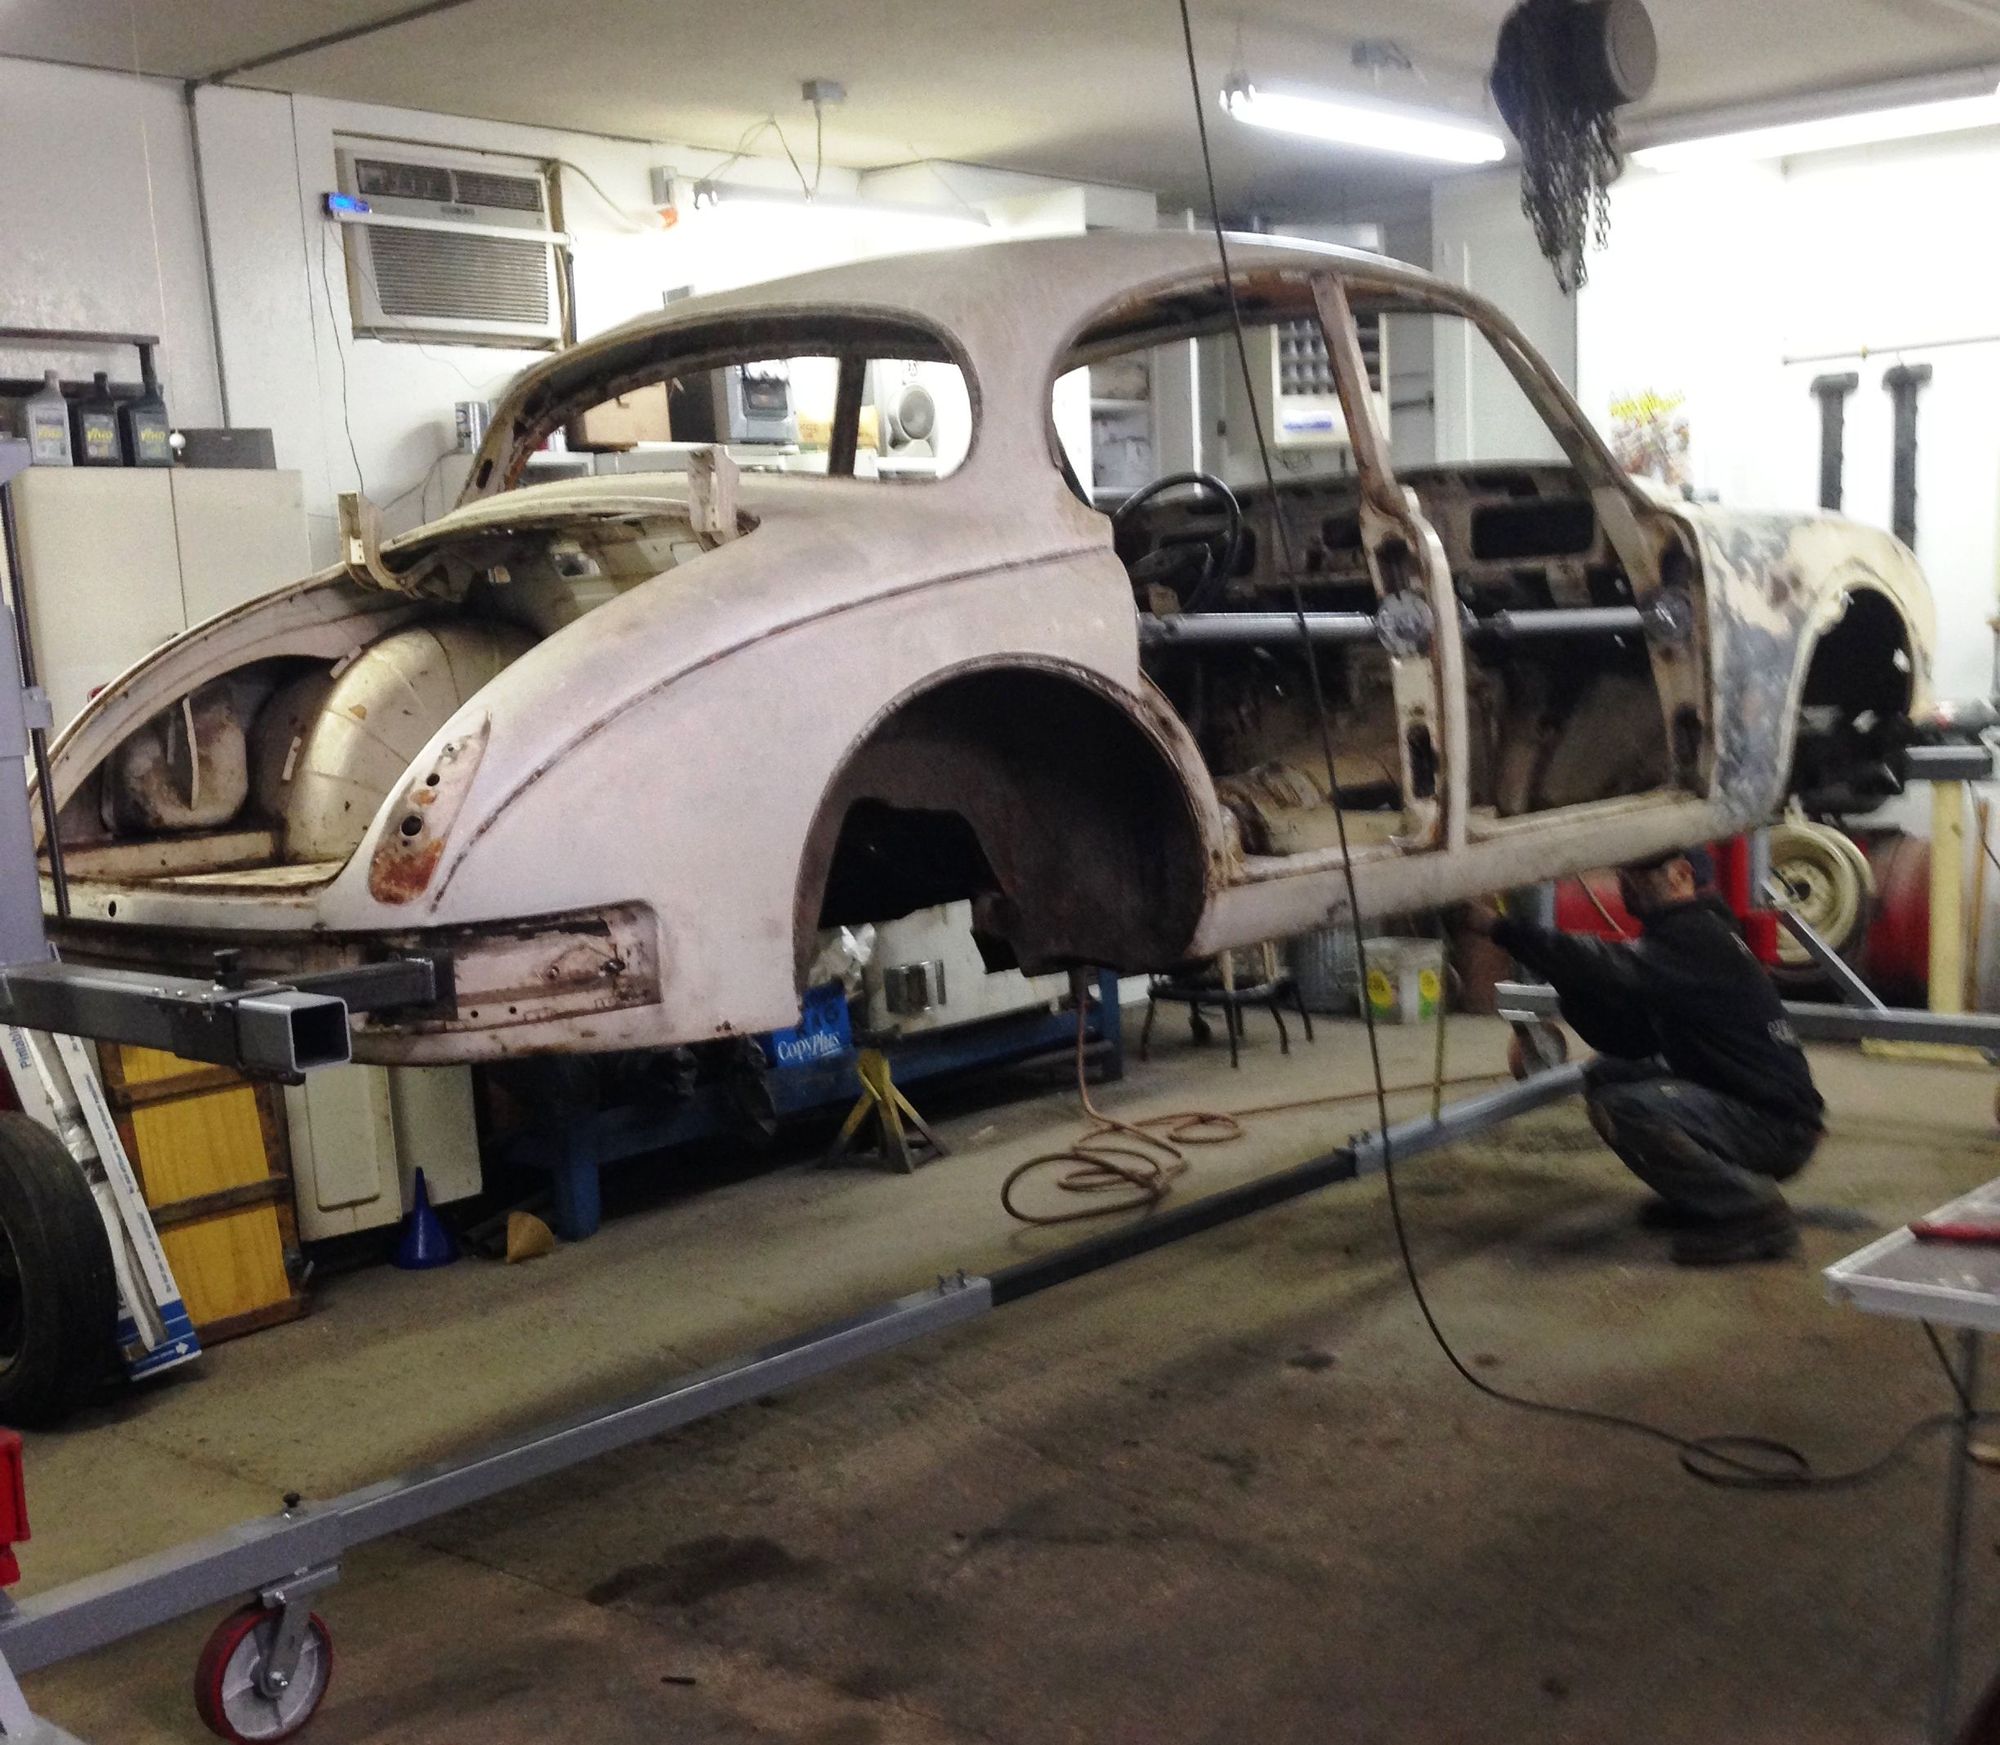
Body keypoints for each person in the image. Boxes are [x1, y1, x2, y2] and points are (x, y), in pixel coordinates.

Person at [1465, 847, 1825, 1266]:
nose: (1627, 885)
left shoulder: (1696, 937)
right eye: (1625, 874)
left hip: (1774, 1127)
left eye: (1640, 875)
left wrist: (1499, 929)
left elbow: (1602, 962)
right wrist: (1574, 984)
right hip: (1756, 1111)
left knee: (1628, 1107)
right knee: (1609, 1076)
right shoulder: (1682, 938)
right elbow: (1631, 1040)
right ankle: (1704, 1199)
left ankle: (1753, 1212)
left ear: (1681, 876)